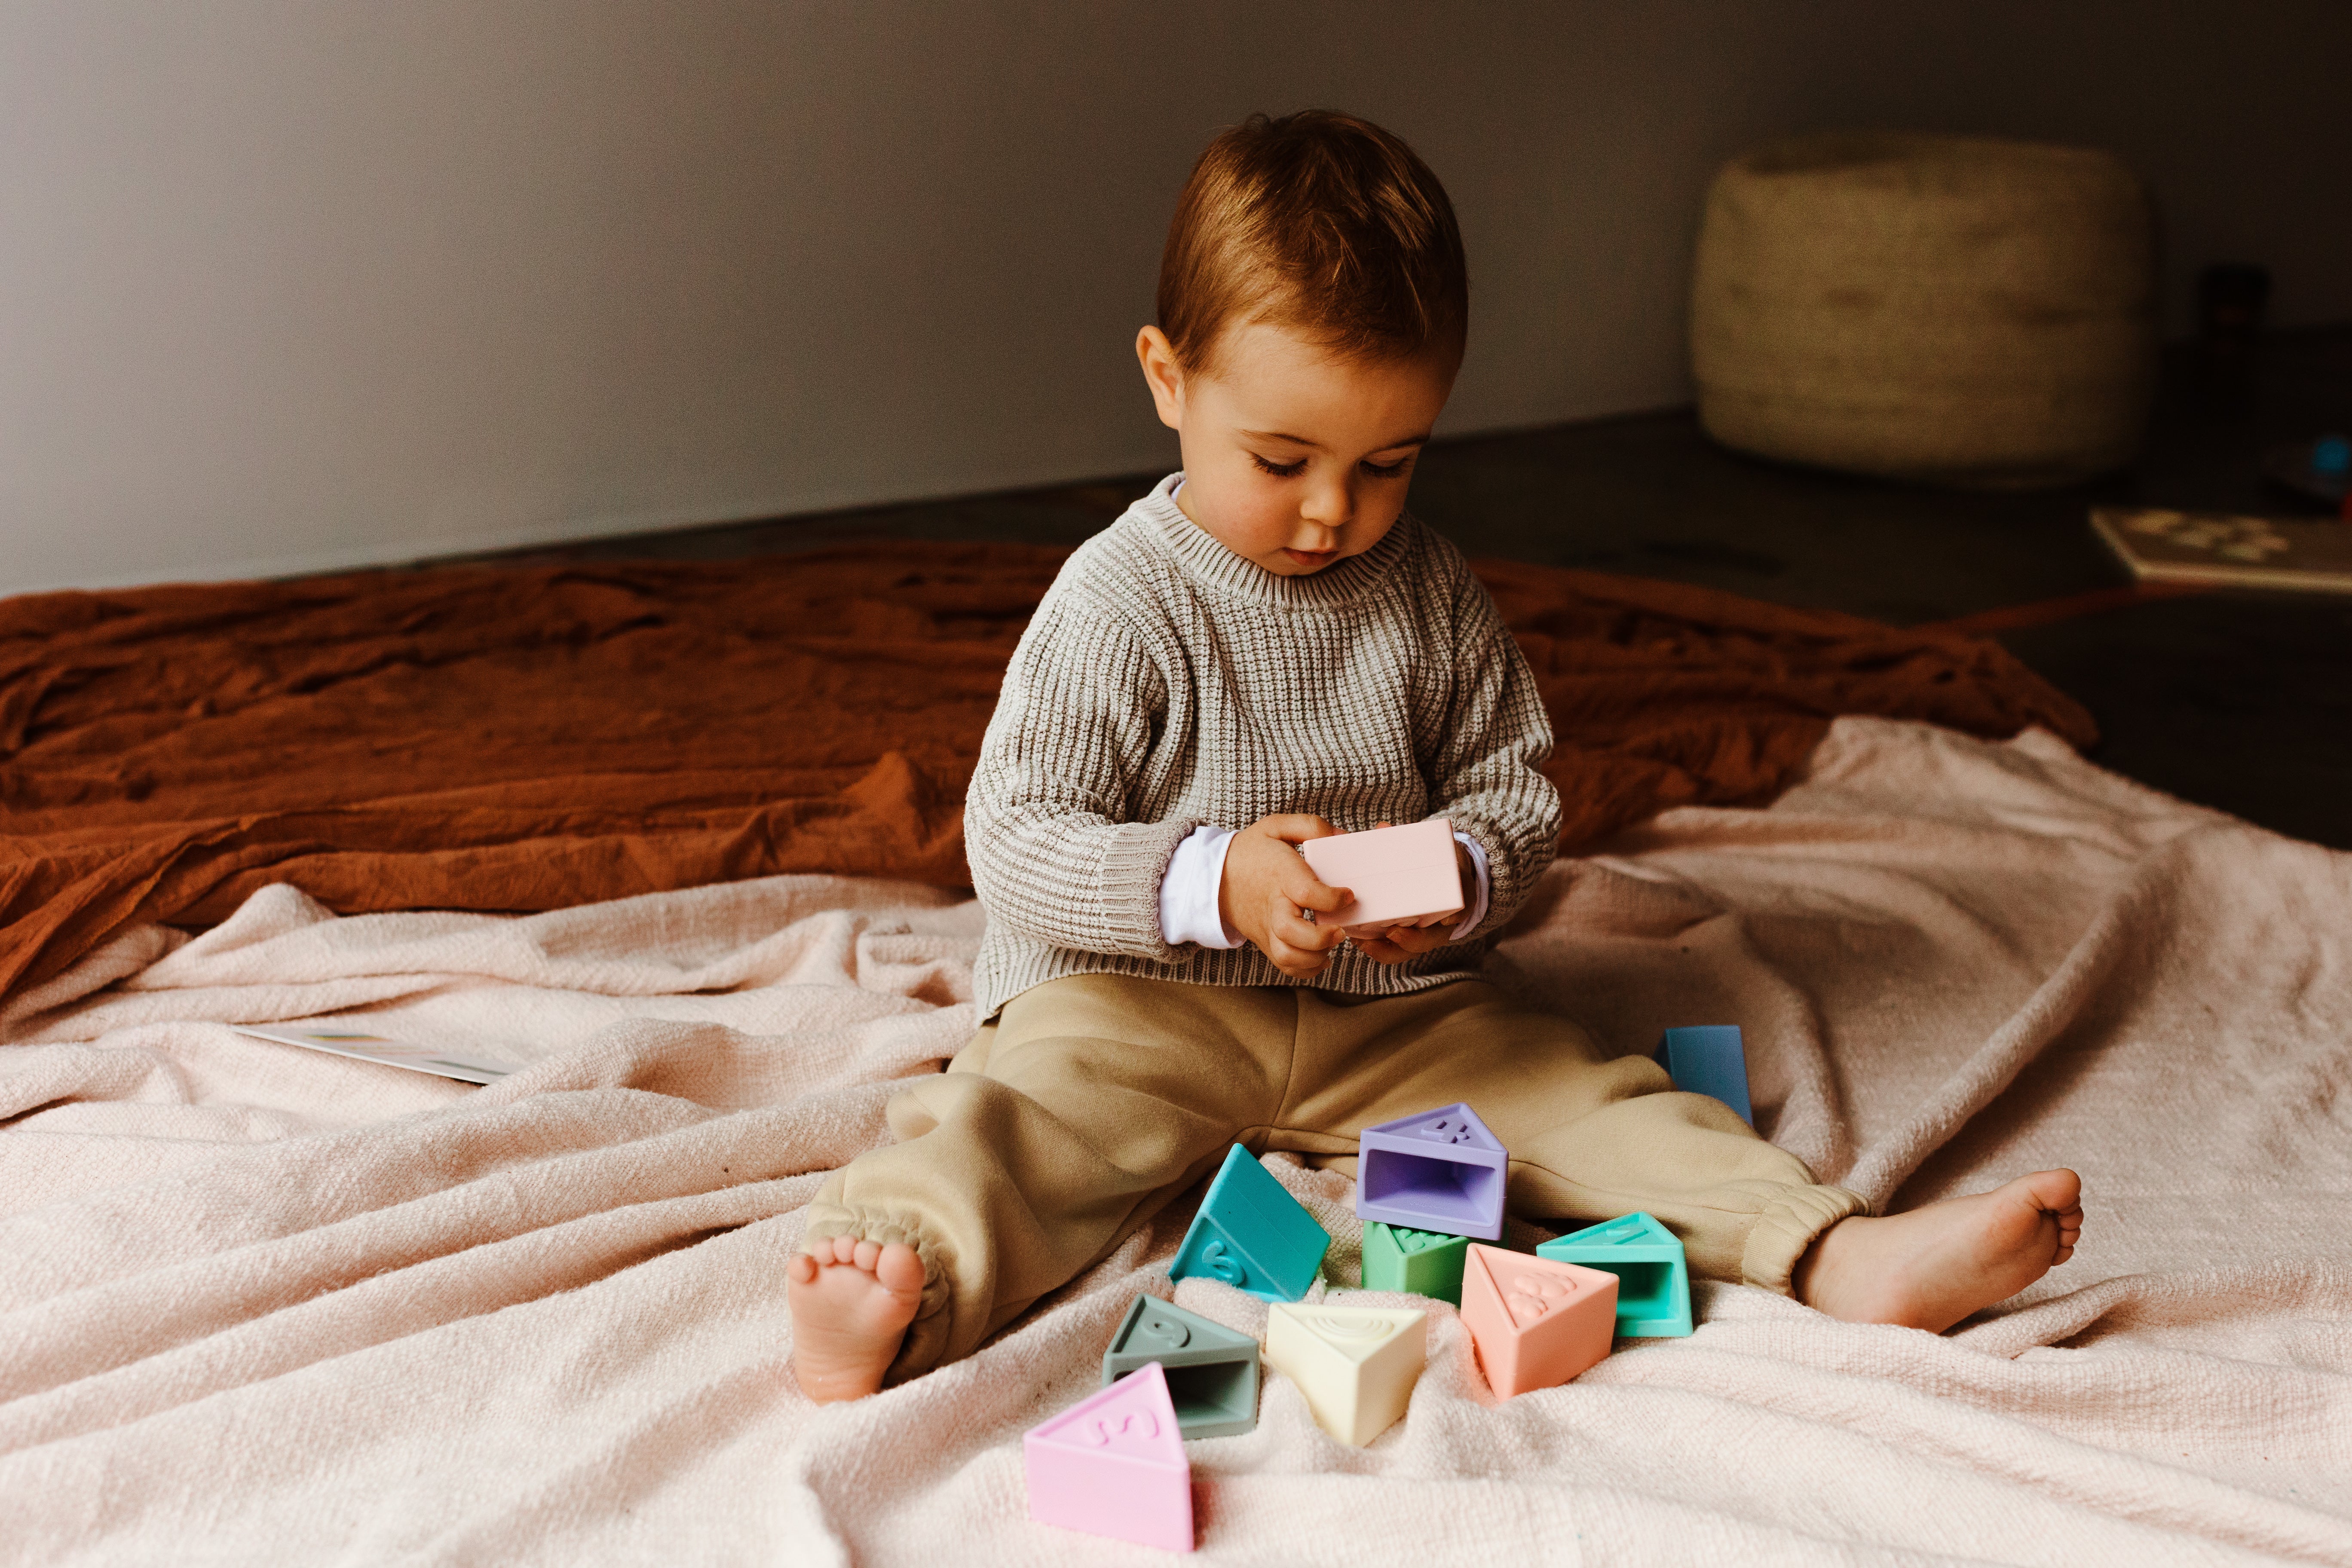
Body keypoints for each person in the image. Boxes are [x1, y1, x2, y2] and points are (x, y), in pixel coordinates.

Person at [787, 110, 2083, 1401]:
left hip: (1395, 1012)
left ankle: (1832, 1250)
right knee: (1020, 1124)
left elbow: (1513, 789)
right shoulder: (1119, 600)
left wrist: (1463, 876)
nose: (1331, 509)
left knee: (1590, 1100)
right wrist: (1215, 881)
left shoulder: (1430, 593)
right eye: (1281, 460)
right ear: (1169, 380)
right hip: (1140, 1004)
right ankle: (899, 1289)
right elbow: (1016, 838)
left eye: (1387, 464)